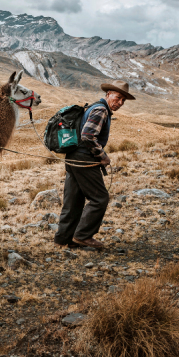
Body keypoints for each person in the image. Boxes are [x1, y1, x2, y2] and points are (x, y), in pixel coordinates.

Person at [54, 80, 135, 249]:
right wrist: (102, 155)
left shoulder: (94, 107)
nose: (120, 103)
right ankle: (82, 236)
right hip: (84, 159)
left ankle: (63, 239)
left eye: (123, 101)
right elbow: (88, 135)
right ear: (108, 94)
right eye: (118, 97)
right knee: (100, 198)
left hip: (73, 158)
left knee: (73, 201)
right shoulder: (101, 109)